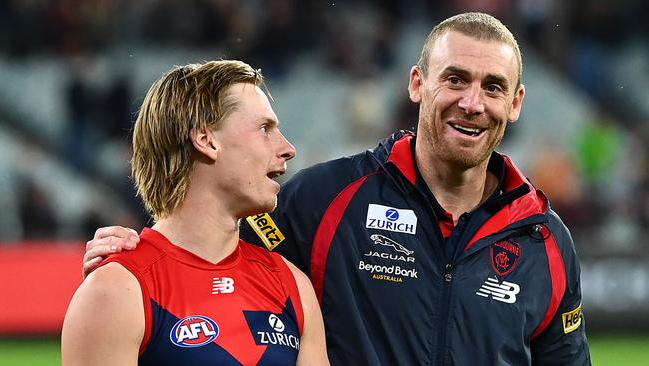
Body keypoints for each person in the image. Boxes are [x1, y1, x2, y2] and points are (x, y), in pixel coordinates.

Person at [82, 13, 591, 365]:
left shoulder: (543, 242)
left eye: (493, 87)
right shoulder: (325, 200)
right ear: (417, 83)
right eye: (455, 79)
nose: (473, 103)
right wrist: (140, 254)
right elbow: (206, 245)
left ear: (517, 102)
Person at [62, 60, 329, 365]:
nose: (288, 148)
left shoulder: (292, 285)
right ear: (206, 140)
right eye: (264, 128)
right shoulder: (116, 291)